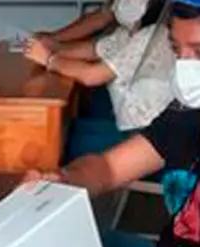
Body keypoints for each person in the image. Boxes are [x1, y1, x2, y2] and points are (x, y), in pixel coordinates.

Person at [24, 0, 200, 247]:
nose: (188, 67)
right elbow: (108, 169)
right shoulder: (190, 113)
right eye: (179, 52)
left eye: (199, 53)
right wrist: (63, 178)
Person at [24, 0, 173, 160]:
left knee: (54, 144)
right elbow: (94, 50)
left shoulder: (155, 35)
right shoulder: (128, 32)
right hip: (126, 122)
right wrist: (53, 46)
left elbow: (92, 76)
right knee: (60, 131)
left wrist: (49, 60)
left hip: (143, 135)